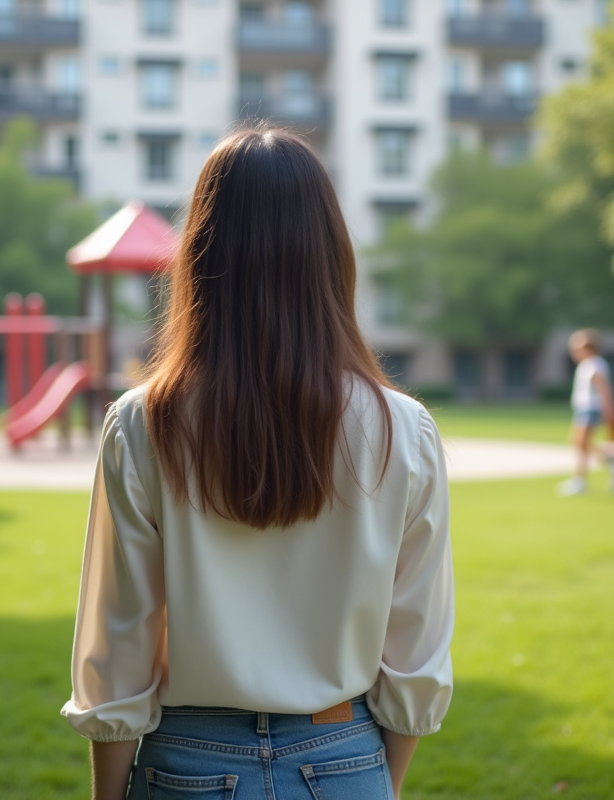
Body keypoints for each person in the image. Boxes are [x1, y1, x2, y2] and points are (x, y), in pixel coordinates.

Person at [61, 128, 454, 800]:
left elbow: (119, 643)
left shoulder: (142, 423)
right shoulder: (403, 430)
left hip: (183, 764)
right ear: (331, 254)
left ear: (200, 254)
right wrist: (363, 779)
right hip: (345, 754)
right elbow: (415, 649)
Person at [557, 328, 614, 496]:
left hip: (591, 408)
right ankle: (611, 462)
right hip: (584, 408)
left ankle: (582, 479)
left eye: (576, 349)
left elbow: (603, 389)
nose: (574, 353)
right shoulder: (587, 365)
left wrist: (609, 410)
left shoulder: (594, 364)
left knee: (581, 442)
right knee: (580, 443)